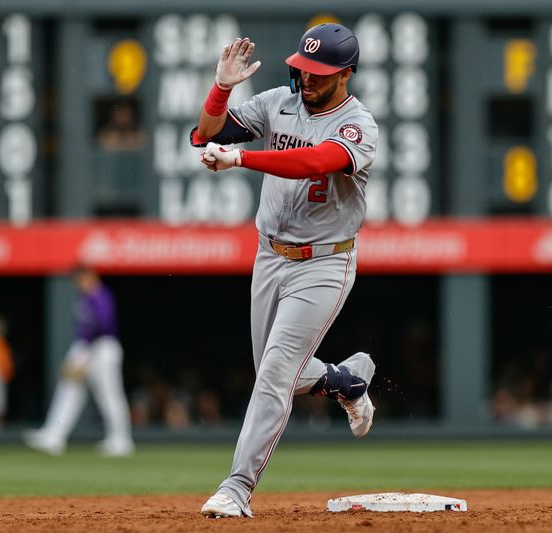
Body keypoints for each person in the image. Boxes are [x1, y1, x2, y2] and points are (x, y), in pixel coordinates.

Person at [191, 24, 379, 518]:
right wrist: (222, 88)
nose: (307, 78)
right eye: (303, 68)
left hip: (324, 261)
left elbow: (317, 162)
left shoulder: (358, 123)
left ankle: (236, 488)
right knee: (279, 374)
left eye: (319, 73)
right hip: (270, 254)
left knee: (275, 373)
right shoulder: (280, 101)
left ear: (346, 74)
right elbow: (205, 134)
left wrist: (241, 158)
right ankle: (346, 381)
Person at [23, 265, 134, 457]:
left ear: (91, 276)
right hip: (85, 347)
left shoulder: (101, 296)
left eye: (81, 279)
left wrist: (82, 358)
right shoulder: (85, 298)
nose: (79, 283)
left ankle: (121, 440)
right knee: (68, 390)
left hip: (103, 348)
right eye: (76, 280)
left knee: (109, 395)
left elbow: (102, 327)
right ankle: (53, 436)